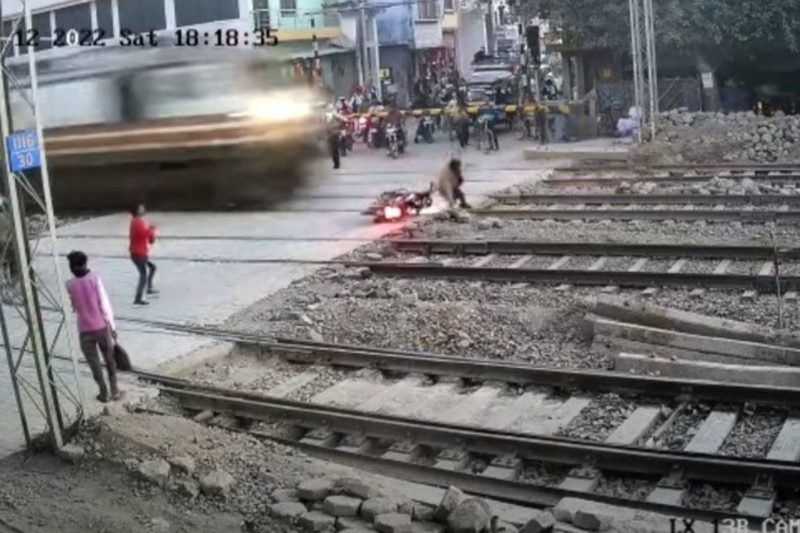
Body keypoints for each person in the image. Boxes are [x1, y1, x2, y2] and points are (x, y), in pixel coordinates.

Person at [65, 251, 122, 403]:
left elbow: (74, 307)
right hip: (101, 328)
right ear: (85, 264)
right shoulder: (94, 279)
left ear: (71, 267)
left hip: (84, 331)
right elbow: (104, 305)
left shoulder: (69, 284)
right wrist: (113, 327)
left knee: (94, 364)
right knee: (109, 360)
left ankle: (103, 393)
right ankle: (115, 391)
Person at [129, 203, 157, 305]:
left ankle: (148, 289)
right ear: (137, 211)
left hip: (138, 252)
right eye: (141, 208)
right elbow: (144, 234)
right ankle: (138, 298)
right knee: (143, 275)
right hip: (139, 253)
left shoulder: (137, 221)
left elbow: (146, 236)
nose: (144, 209)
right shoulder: (137, 222)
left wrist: (150, 234)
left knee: (152, 267)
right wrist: (152, 229)